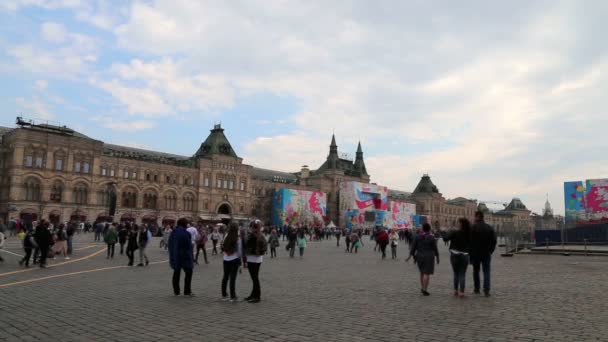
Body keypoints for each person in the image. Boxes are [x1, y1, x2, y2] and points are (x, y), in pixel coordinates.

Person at [406, 223, 439, 296]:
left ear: (423, 229)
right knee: (426, 273)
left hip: (419, 256)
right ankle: (425, 289)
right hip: (429, 256)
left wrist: (410, 256)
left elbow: (413, 247)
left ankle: (422, 287)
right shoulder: (431, 237)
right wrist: (437, 257)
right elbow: (435, 248)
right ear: (429, 229)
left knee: (421, 272)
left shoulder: (417, 237)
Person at [442, 218, 471, 298]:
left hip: (455, 255)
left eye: (458, 222)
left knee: (456, 273)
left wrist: (444, 230)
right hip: (465, 255)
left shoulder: (455, 232)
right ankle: (462, 292)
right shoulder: (469, 233)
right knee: (462, 274)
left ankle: (455, 290)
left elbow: (445, 238)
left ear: (461, 224)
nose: (457, 224)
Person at [470, 211, 497, 297]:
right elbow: (494, 241)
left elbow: (469, 241)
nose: (474, 218)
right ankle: (486, 290)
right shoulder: (489, 228)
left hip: (475, 253)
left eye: (475, 216)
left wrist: (470, 252)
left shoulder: (473, 227)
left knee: (476, 271)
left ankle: (477, 289)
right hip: (486, 253)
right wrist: (490, 251)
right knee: (486, 272)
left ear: (477, 217)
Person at [168, 218, 195, 297]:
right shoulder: (186, 233)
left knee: (176, 273)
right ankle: (187, 291)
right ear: (185, 224)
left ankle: (176, 292)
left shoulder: (173, 232)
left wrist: (172, 255)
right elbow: (188, 246)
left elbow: (170, 244)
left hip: (175, 256)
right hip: (185, 257)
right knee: (189, 273)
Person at [244, 220, 267, 303]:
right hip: (258, 259)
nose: (251, 228)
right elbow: (265, 246)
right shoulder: (261, 235)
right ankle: (253, 294)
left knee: (255, 278)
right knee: (255, 278)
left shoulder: (252, 235)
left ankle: (257, 296)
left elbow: (246, 244)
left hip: (252, 259)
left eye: (252, 226)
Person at [221, 223, 242, 302]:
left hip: (226, 259)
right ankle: (232, 296)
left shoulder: (226, 236)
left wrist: (226, 253)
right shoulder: (237, 238)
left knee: (225, 277)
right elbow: (239, 251)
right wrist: (240, 261)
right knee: (232, 278)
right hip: (234, 259)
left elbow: (222, 245)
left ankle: (224, 295)